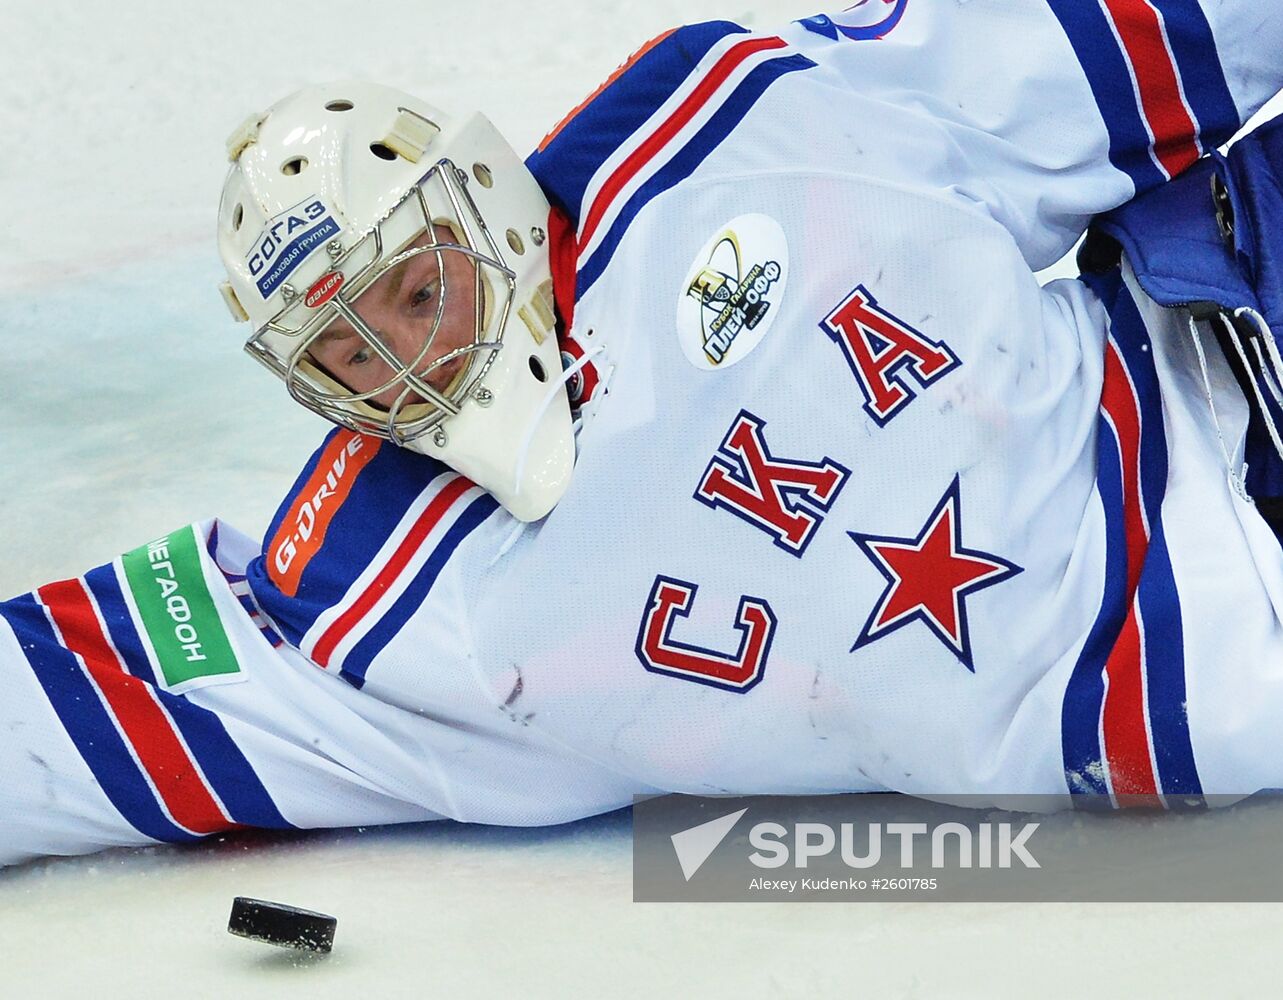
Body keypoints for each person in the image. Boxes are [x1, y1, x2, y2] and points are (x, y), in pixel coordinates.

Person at [4, 1, 1283, 868]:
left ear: (483, 198)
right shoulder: (377, 595)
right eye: (348, 354)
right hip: (1227, 635)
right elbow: (80, 698)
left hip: (1215, 315)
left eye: (413, 287)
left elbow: (1089, 45)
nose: (410, 360)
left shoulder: (710, 128)